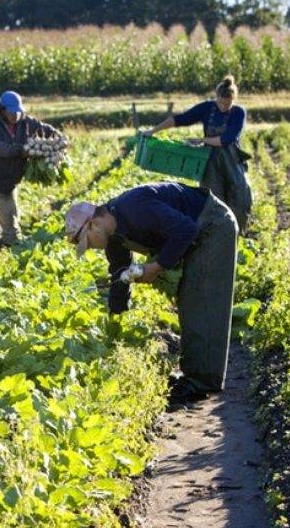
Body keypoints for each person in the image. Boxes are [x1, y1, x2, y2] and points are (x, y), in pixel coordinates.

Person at [65, 182, 238, 409]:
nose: (91, 248)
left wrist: (155, 268)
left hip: (213, 224)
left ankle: (202, 383)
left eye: (88, 243)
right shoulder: (113, 236)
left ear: (94, 224)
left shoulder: (134, 207)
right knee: (188, 301)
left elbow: (186, 229)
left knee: (202, 300)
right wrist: (115, 321)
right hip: (194, 230)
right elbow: (119, 274)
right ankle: (194, 375)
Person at [142, 75, 253, 231]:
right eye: (220, 102)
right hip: (210, 161)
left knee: (240, 197)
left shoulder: (238, 112)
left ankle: (240, 233)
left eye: (227, 104)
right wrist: (153, 130)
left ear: (233, 100)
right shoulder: (207, 108)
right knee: (212, 200)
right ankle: (216, 234)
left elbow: (227, 139)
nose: (223, 106)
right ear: (216, 97)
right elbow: (180, 119)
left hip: (232, 161)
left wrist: (203, 140)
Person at [0, 90, 61, 249]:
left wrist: (58, 138)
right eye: (12, 113)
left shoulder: (24, 122)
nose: (16, 116)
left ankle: (13, 252)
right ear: (3, 110)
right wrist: (21, 150)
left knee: (10, 225)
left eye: (18, 112)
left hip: (7, 182)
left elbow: (44, 129)